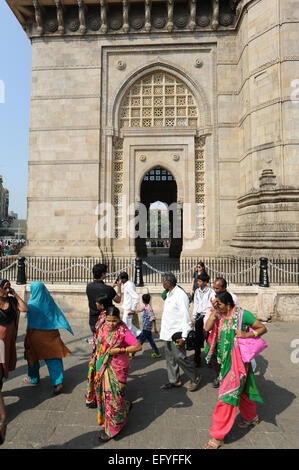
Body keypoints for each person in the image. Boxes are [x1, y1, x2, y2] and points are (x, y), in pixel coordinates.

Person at [203, 291, 267, 449]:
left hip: (238, 364)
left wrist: (247, 334)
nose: (218, 307)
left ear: (229, 304)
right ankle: (251, 418)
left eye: (220, 304)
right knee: (244, 392)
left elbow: (262, 328)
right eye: (217, 305)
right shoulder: (221, 315)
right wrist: (214, 311)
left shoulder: (243, 314)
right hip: (225, 362)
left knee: (226, 399)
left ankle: (217, 436)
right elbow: (207, 328)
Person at [89, 306, 142, 442]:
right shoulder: (102, 326)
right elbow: (98, 343)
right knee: (105, 397)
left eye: (114, 321)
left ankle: (113, 429)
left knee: (114, 399)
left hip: (118, 368)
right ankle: (125, 407)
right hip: (102, 365)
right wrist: (94, 357)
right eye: (108, 320)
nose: (111, 324)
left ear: (119, 319)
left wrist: (119, 350)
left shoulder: (123, 330)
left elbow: (138, 346)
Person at [24, 281, 74, 395]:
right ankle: (58, 383)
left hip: (35, 335)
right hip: (51, 334)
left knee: (32, 357)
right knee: (54, 358)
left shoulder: (31, 304)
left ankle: (33, 378)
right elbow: (56, 316)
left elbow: (29, 321)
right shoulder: (49, 301)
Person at [159, 273, 200, 392]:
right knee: (170, 358)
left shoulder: (180, 295)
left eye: (163, 281)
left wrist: (184, 336)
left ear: (168, 282)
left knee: (180, 357)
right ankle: (174, 380)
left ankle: (195, 376)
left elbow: (185, 317)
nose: (162, 283)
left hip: (177, 332)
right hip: (168, 332)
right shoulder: (169, 294)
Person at [205, 277, 240, 388]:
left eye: (218, 288)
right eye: (214, 287)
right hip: (215, 333)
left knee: (228, 358)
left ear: (224, 288)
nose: (215, 290)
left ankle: (229, 379)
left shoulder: (233, 298)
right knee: (215, 358)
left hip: (228, 333)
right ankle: (219, 376)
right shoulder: (212, 297)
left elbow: (237, 315)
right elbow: (208, 314)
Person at [0, 279, 28, 391]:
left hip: (8, 343)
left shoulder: (12, 301)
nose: (7, 291)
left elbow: (25, 308)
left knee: (3, 368)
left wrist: (15, 294)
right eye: (4, 288)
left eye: (8, 288)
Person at [85, 294, 110, 408]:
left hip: (101, 350)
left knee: (98, 373)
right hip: (97, 349)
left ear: (102, 305)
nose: (96, 305)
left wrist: (96, 354)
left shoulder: (107, 317)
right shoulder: (103, 314)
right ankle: (94, 396)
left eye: (98, 304)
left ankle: (97, 397)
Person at [86, 263, 121, 335]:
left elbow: (101, 292)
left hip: (93, 321)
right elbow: (118, 300)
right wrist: (119, 286)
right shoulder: (108, 289)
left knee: (97, 342)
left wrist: (111, 287)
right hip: (106, 322)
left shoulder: (89, 286)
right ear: (102, 274)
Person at [192, 271, 213, 368]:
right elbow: (196, 304)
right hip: (199, 316)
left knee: (209, 339)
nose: (198, 283)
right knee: (197, 339)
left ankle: (210, 360)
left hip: (208, 317)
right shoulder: (197, 291)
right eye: (198, 281)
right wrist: (194, 317)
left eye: (200, 281)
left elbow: (211, 306)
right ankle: (197, 359)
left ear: (205, 282)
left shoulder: (211, 291)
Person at [136, 294, 161, 358]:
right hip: (147, 328)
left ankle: (132, 353)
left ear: (143, 300)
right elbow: (139, 310)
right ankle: (157, 353)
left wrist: (155, 328)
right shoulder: (146, 306)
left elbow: (153, 317)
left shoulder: (149, 308)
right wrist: (132, 312)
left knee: (140, 341)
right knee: (151, 341)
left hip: (146, 328)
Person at [119, 272, 141, 338]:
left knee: (127, 325)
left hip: (129, 308)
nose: (120, 281)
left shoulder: (129, 286)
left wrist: (133, 309)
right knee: (128, 325)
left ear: (124, 279)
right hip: (127, 307)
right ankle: (139, 334)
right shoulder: (128, 284)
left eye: (121, 279)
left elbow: (136, 297)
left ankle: (132, 338)